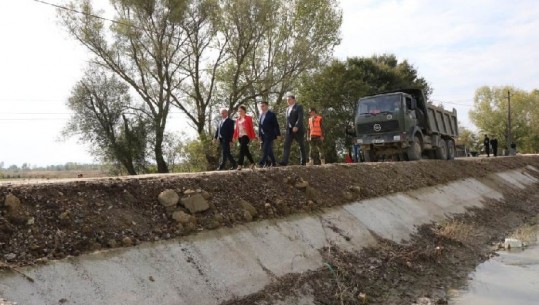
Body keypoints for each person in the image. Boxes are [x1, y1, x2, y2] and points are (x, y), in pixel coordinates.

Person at [279, 92, 307, 166]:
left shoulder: (299, 106)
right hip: (289, 130)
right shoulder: (287, 109)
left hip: (298, 130)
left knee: (301, 145)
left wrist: (296, 126)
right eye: (287, 100)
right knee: (286, 145)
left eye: (289, 99)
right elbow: (287, 120)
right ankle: (285, 161)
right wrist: (286, 129)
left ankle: (303, 161)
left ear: (294, 100)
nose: (288, 101)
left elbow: (300, 118)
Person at [233, 105, 257, 170]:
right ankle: (252, 163)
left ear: (244, 111)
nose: (240, 112)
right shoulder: (237, 119)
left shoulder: (248, 118)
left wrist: (254, 136)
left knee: (241, 150)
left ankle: (239, 165)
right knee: (245, 150)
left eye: (241, 111)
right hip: (240, 137)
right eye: (239, 111)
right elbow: (236, 129)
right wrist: (234, 137)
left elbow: (251, 128)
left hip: (246, 136)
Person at [258, 101, 281, 167]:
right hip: (262, 135)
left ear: (267, 106)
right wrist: (259, 135)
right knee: (268, 149)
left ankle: (261, 163)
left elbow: (276, 125)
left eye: (263, 106)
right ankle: (273, 162)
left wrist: (278, 134)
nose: (262, 107)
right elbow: (260, 126)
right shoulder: (260, 115)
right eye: (261, 106)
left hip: (270, 134)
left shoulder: (271, 114)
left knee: (265, 148)